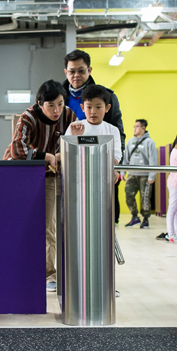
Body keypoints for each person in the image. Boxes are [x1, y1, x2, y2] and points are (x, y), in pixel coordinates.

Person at [3, 80, 76, 293]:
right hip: (20, 174)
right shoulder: (28, 118)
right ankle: (18, 268)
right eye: (51, 105)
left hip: (50, 175)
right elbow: (18, 150)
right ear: (39, 103)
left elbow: (75, 143)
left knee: (48, 226)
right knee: (20, 224)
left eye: (60, 104)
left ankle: (50, 275)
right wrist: (48, 156)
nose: (56, 110)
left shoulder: (69, 116)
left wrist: (63, 154)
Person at [62, 49, 125, 224]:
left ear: (89, 70)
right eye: (72, 71)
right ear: (66, 72)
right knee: (72, 220)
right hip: (73, 174)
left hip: (103, 171)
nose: (76, 75)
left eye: (81, 70)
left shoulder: (107, 96)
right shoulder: (59, 98)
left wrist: (116, 168)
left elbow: (118, 135)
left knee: (103, 220)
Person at [65, 85, 122, 184]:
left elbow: (116, 155)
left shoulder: (112, 130)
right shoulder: (74, 127)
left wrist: (113, 168)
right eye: (89, 107)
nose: (93, 112)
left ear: (107, 108)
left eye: (98, 107)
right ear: (82, 107)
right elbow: (67, 155)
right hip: (78, 179)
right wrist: (75, 138)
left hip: (103, 179)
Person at [122, 119, 158, 229]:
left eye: (137, 126)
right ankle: (134, 217)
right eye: (134, 126)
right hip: (132, 174)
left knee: (145, 198)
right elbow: (126, 158)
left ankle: (145, 219)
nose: (134, 129)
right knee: (129, 195)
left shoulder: (149, 142)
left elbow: (153, 160)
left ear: (143, 128)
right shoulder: (130, 141)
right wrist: (123, 172)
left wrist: (152, 175)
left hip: (145, 175)